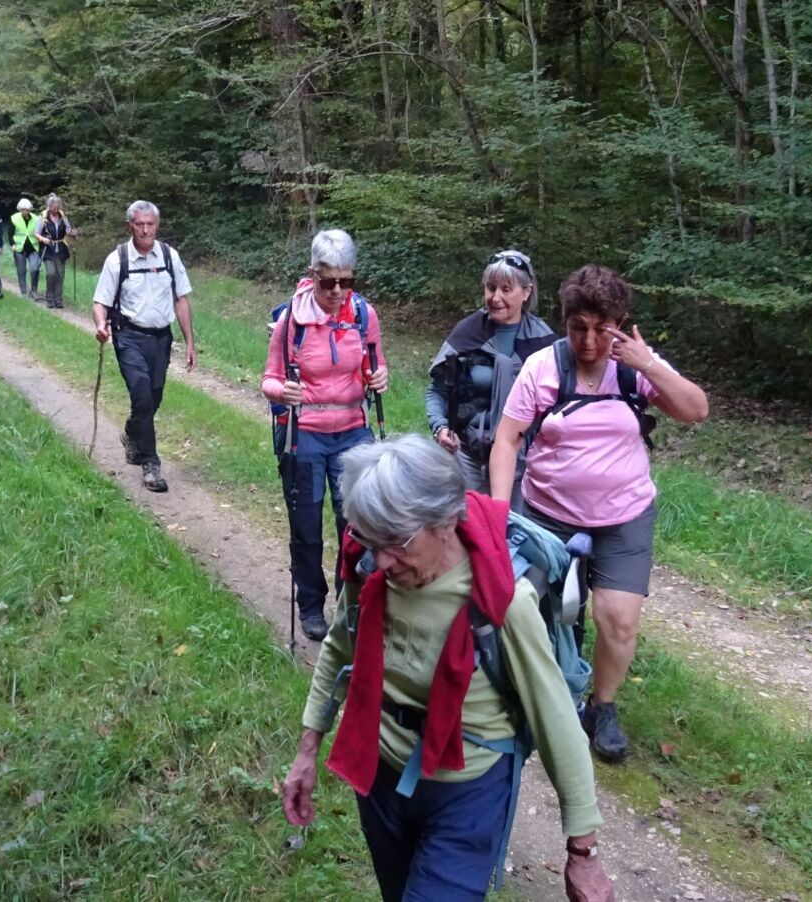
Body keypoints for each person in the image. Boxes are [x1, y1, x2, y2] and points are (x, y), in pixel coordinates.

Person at [282, 435, 615, 902]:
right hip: (380, 779)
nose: (382, 560)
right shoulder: (371, 567)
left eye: (397, 542)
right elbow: (340, 648)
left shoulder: (503, 601)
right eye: (370, 540)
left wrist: (583, 852)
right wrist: (306, 752)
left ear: (445, 522)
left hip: (468, 793)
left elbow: (557, 721)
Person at [489, 264, 709, 762]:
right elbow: (507, 439)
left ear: (619, 323)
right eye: (578, 328)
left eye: (601, 329)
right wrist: (501, 514)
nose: (589, 342)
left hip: (624, 516)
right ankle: (541, 696)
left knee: (618, 621)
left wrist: (648, 364)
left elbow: (696, 410)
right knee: (536, 611)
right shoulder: (543, 368)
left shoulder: (636, 365)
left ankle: (601, 707)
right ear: (564, 322)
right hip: (548, 514)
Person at [260, 229, 388, 641]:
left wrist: (379, 378)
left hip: (353, 431)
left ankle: (350, 606)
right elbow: (268, 380)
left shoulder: (363, 315)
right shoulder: (291, 321)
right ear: (312, 275)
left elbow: (374, 364)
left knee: (358, 525)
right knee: (307, 526)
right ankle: (311, 606)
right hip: (305, 432)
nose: (337, 290)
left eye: (346, 281)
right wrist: (284, 391)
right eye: (328, 281)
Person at [425, 250, 555, 505]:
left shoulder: (543, 342)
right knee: (468, 522)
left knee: (512, 524)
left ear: (526, 292)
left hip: (523, 460)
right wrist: (440, 426)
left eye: (506, 289)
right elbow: (437, 391)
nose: (496, 298)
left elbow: (556, 406)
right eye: (491, 288)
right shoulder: (467, 333)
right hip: (467, 455)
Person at [93, 200, 198, 493]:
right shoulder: (118, 260)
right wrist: (100, 325)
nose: (145, 230)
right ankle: (150, 463)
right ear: (130, 226)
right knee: (141, 394)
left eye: (150, 224)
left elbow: (181, 300)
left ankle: (132, 432)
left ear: (157, 225)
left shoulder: (168, 256)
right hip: (129, 337)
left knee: (153, 397)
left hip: (161, 339)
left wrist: (190, 342)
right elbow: (100, 302)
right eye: (139, 224)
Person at [34, 194, 75, 309]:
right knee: (51, 273)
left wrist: (72, 233)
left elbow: (68, 231)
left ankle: (58, 299)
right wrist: (43, 239)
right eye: (53, 208)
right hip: (48, 249)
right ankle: (49, 297)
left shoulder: (63, 216)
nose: (56, 210)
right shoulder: (43, 217)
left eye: (57, 208)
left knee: (60, 274)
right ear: (49, 207)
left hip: (61, 249)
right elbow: (36, 233)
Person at [10, 197, 43, 300]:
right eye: (23, 209)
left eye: (27, 210)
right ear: (20, 209)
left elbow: (40, 232)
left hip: (33, 248)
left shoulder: (36, 219)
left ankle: (34, 291)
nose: (25, 211)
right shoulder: (14, 218)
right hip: (19, 248)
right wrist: (13, 244)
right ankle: (23, 291)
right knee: (21, 270)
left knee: (35, 269)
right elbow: (10, 234)